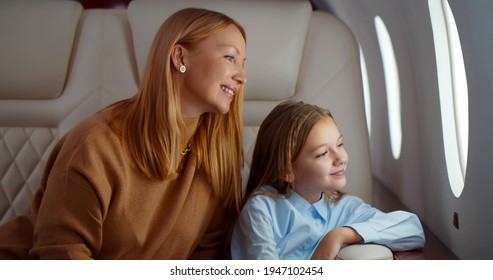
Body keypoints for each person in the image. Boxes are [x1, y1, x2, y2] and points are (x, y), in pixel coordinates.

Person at [0, 7, 247, 259]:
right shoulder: (95, 144)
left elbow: (207, 256)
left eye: (243, 63)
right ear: (180, 58)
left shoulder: (217, 156)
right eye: (230, 57)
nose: (242, 77)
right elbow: (61, 256)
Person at [230, 100, 425, 260]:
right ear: (286, 171)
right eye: (323, 153)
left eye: (340, 144)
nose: (340, 157)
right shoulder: (261, 210)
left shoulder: (342, 207)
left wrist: (338, 235)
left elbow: (412, 229)